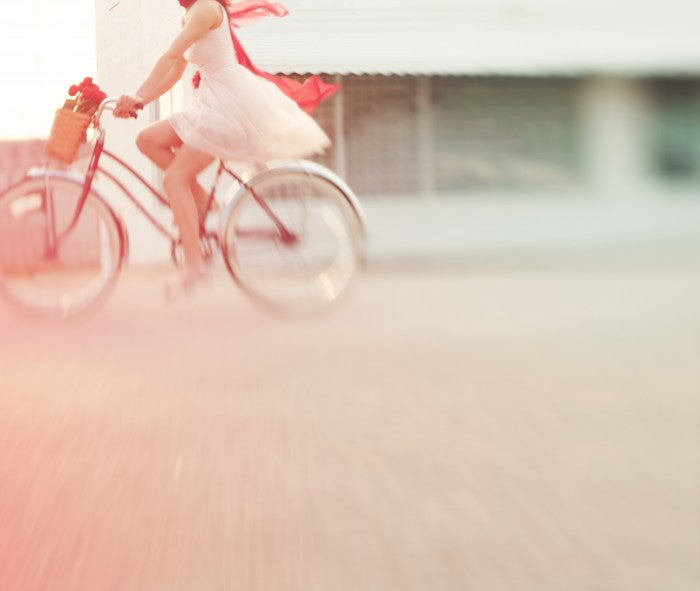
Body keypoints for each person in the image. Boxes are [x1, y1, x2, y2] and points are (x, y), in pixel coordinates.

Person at [114, 0, 337, 295]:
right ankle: (203, 202)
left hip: (228, 109)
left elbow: (170, 55)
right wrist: (141, 101)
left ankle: (194, 265)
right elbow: (175, 70)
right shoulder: (190, 14)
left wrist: (137, 94)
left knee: (174, 179)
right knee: (147, 140)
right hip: (211, 102)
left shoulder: (207, 8)